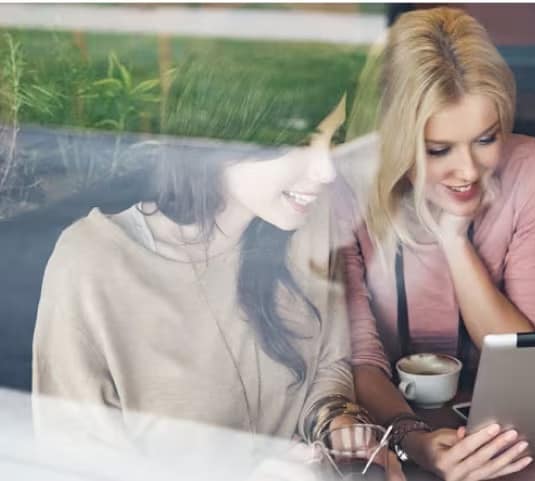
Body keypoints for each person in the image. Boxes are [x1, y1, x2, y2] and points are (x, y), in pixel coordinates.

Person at [31, 58, 373, 450]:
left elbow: (331, 365)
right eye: (301, 142)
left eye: (335, 138)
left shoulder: (305, 220)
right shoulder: (91, 264)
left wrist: (336, 422)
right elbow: (72, 462)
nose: (326, 170)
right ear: (223, 136)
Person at [337, 7, 535, 481]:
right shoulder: (344, 183)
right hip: (386, 434)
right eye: (438, 149)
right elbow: (359, 357)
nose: (467, 170)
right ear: (391, 139)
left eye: (485, 139)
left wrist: (454, 239)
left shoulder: (533, 171)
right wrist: (413, 439)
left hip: (506, 438)